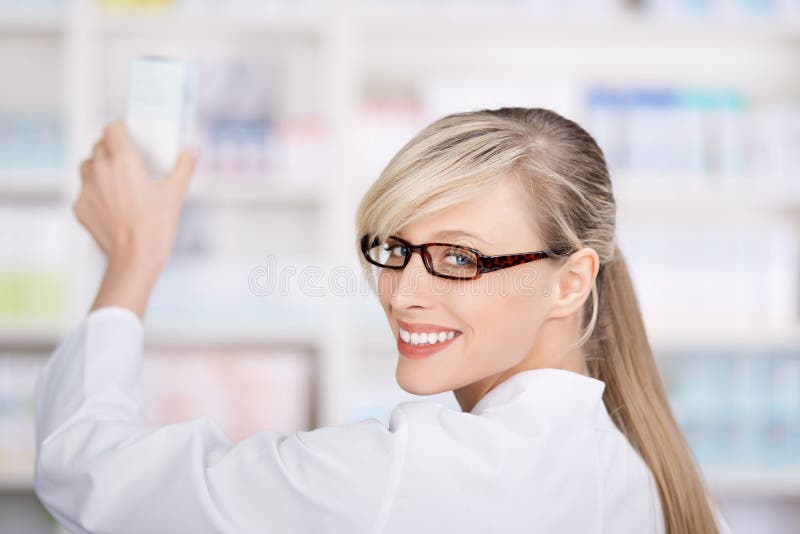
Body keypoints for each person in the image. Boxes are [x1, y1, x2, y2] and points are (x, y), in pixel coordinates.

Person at [34, 108, 732, 533]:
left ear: (570, 282)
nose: (402, 293)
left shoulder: (418, 475)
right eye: (395, 249)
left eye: (459, 257)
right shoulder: (650, 474)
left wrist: (132, 258)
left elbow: (87, 474)